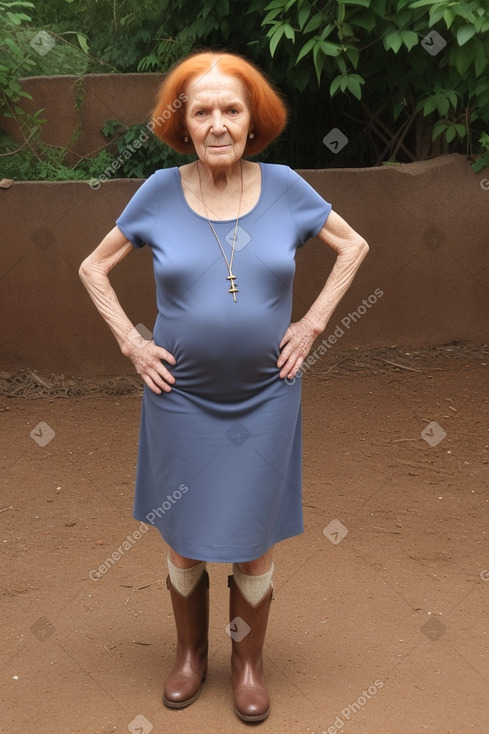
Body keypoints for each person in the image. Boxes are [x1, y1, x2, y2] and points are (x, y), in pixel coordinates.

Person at [79, 50, 369, 723]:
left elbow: (352, 247)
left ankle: (246, 665)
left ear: (252, 121)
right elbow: (94, 268)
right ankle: (188, 657)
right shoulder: (156, 191)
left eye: (231, 110)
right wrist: (131, 340)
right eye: (201, 110)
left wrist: (314, 321)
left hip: (266, 396)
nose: (216, 124)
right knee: (182, 534)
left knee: (252, 538)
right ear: (182, 122)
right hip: (179, 398)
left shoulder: (287, 188)